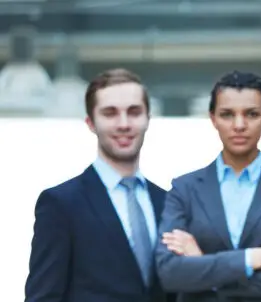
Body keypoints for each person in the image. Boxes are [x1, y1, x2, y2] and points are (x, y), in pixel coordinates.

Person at [154, 71, 261, 301]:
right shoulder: (184, 189)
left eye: (252, 114)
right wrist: (252, 259)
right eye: (227, 114)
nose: (239, 125)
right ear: (213, 118)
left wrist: (203, 269)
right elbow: (169, 273)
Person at [25, 68, 174, 302]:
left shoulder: (169, 203)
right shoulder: (61, 204)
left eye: (134, 112)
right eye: (110, 113)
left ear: (148, 119)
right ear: (91, 123)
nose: (124, 124)